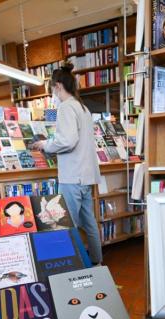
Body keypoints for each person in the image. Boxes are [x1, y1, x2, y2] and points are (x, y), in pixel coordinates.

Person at [32, 65, 103, 265]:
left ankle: (74, 263)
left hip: (72, 175)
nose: (53, 94)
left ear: (58, 86)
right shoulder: (82, 107)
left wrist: (46, 144)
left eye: (53, 89)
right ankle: (96, 261)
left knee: (67, 222)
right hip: (86, 175)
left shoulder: (66, 107)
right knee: (89, 222)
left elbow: (68, 141)